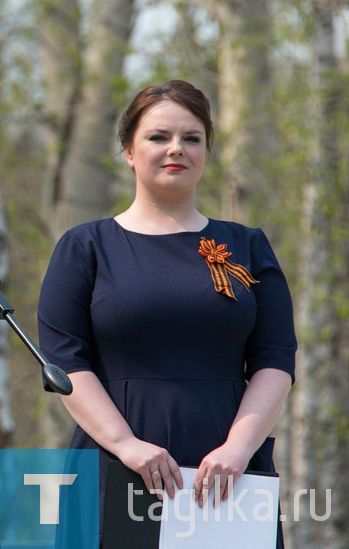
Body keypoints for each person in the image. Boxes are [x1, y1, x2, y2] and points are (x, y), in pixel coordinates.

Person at [37, 79, 297, 547]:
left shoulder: (248, 245)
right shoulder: (86, 247)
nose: (176, 148)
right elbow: (63, 360)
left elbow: (275, 359)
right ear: (129, 151)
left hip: (228, 472)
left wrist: (238, 449)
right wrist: (126, 445)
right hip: (114, 464)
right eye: (159, 137)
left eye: (192, 138)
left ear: (206, 151)